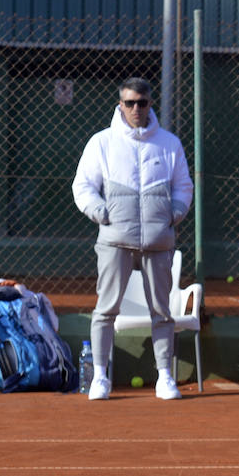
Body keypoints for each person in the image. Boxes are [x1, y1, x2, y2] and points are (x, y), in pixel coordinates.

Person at [72, 77, 193, 401]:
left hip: (158, 241)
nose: (136, 108)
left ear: (150, 104)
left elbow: (183, 186)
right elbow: (83, 186)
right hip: (114, 241)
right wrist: (101, 212)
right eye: (129, 103)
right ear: (120, 104)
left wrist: (174, 213)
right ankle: (100, 377)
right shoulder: (102, 142)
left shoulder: (169, 143)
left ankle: (165, 377)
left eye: (142, 102)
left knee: (162, 312)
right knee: (105, 309)